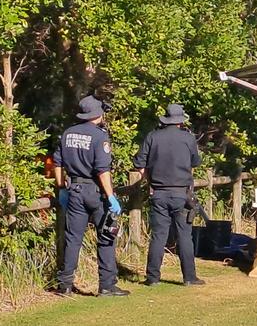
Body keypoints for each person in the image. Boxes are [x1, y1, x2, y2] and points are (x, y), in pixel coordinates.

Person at [53, 95, 130, 297]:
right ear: (98, 114)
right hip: (95, 192)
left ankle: (65, 285)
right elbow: (102, 170)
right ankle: (107, 285)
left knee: (73, 238)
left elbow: (58, 163)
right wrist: (111, 196)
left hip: (74, 190)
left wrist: (61, 187)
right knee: (106, 237)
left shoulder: (67, 133)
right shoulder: (99, 136)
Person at [133, 104, 204, 286]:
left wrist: (149, 182)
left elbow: (139, 164)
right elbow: (195, 162)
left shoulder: (152, 137)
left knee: (158, 235)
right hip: (182, 193)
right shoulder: (188, 138)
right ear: (181, 121)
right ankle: (189, 277)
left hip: (158, 193)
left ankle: (152, 277)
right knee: (184, 236)